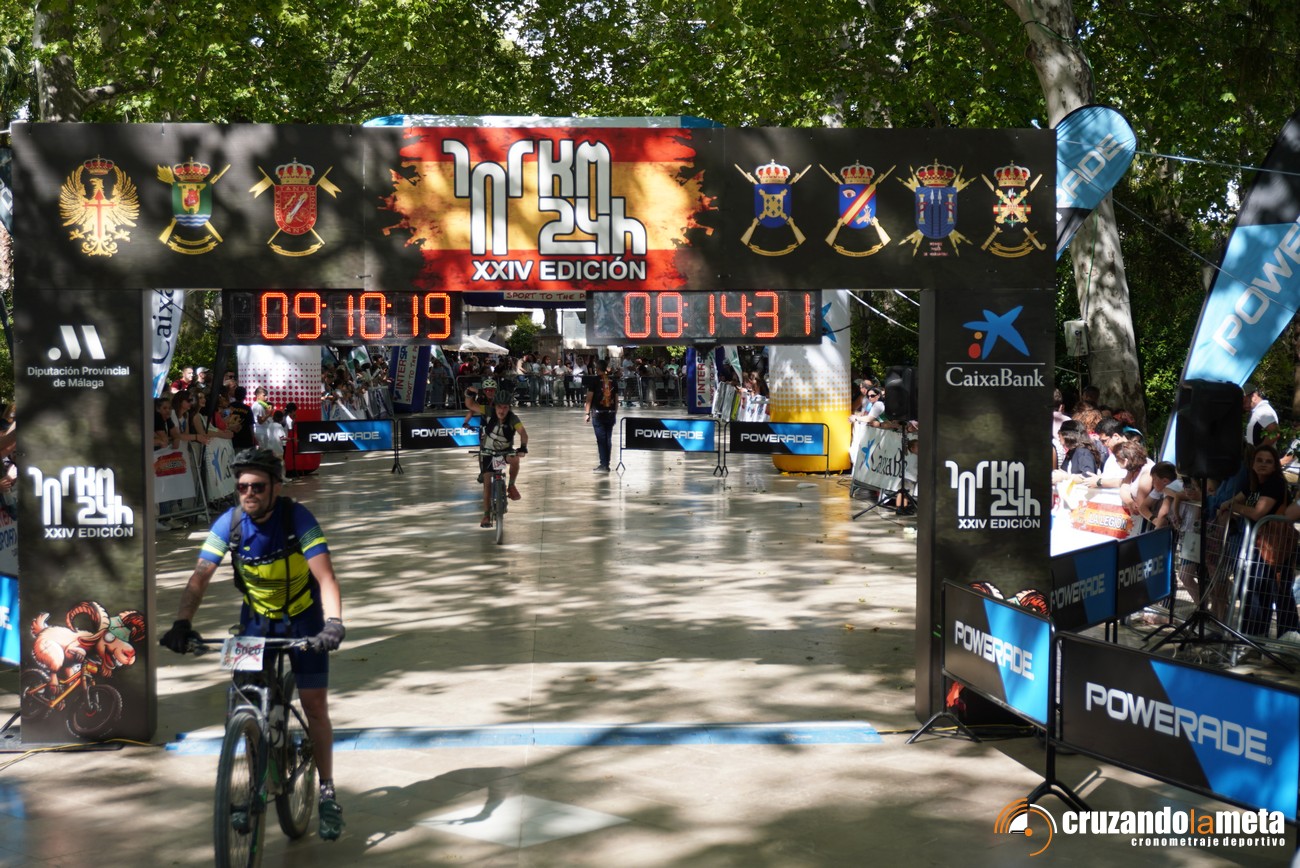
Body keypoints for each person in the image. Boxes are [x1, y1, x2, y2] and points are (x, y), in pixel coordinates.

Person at [159, 448, 347, 841]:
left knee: (314, 705)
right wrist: (182, 623)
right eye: (242, 486)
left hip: (304, 619)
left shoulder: (298, 519)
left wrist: (333, 623)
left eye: (257, 486)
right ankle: (252, 774)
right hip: (256, 622)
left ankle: (327, 790)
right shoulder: (229, 524)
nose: (248, 493)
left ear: (276, 486)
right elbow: (200, 576)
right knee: (244, 703)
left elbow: (326, 577)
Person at [1222, 445, 1298, 638]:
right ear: (1252, 463)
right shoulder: (1253, 483)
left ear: (1275, 466)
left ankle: (1289, 637)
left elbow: (1258, 513)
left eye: (1269, 461)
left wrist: (1235, 508)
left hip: (1276, 545)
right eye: (1259, 460)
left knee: (1279, 592)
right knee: (1257, 589)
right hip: (1258, 545)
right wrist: (1228, 505)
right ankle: (1256, 636)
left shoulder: (1275, 483)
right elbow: (1232, 501)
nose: (1263, 464)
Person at [477, 393, 528, 527]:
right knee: (487, 484)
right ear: (495, 406)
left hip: (505, 451)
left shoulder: (513, 418)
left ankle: (511, 485)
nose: (502, 410)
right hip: (488, 452)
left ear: (509, 407)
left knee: (515, 459)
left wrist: (523, 447)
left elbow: (523, 432)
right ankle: (486, 515)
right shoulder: (488, 411)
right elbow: (470, 405)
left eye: (505, 407)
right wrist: (469, 394)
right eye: (499, 407)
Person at [585, 361, 619, 472]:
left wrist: (587, 413)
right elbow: (616, 399)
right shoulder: (613, 381)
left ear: (597, 368)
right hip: (610, 413)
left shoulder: (594, 381)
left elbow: (589, 398)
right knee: (608, 439)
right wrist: (614, 412)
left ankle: (603, 465)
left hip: (598, 414)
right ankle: (606, 464)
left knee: (601, 440)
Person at [1244, 381, 1280, 448]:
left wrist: (1258, 451)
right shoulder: (1258, 410)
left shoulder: (1262, 411)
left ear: (1254, 396)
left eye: (1244, 401)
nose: (1243, 405)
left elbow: (1275, 433)